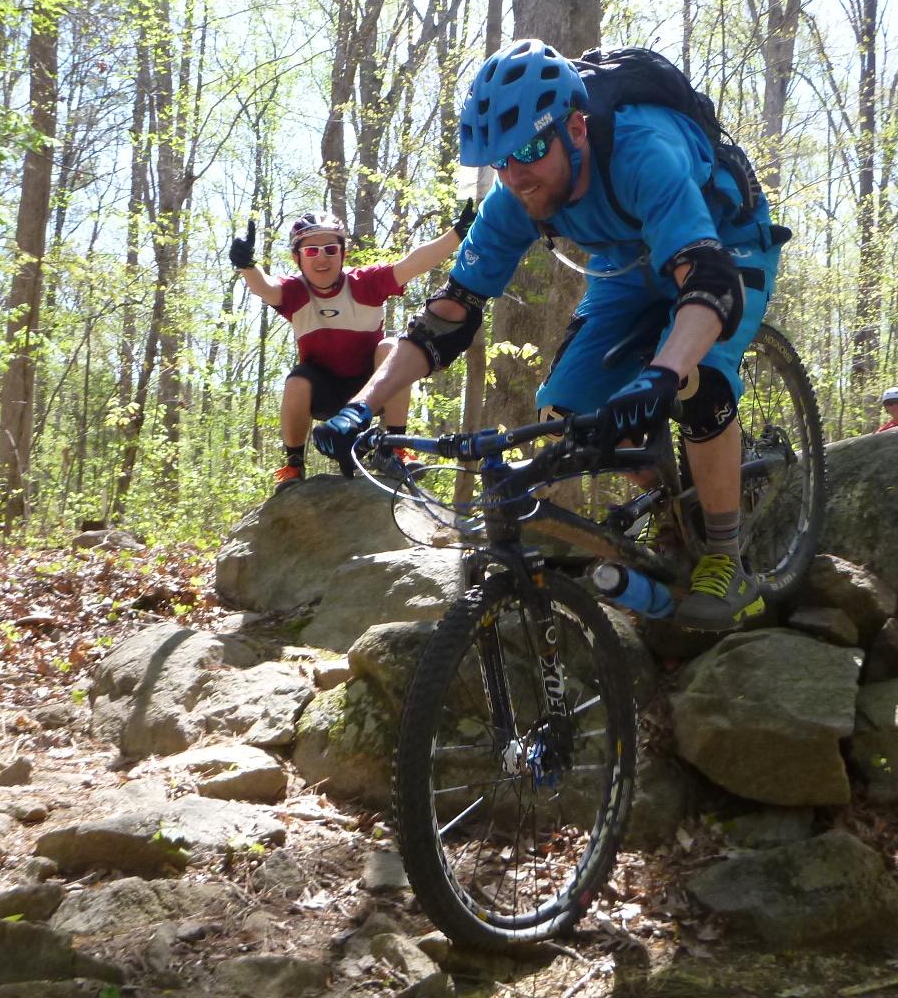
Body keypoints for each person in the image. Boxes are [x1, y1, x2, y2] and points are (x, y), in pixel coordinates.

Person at [311, 38, 783, 632]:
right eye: (500, 161)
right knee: (571, 410)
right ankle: (670, 512)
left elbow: (709, 286)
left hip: (724, 243)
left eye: (531, 148)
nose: (516, 174)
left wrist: (663, 374)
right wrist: (360, 407)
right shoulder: (514, 197)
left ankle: (724, 554)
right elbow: (447, 316)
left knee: (699, 378)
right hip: (625, 263)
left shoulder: (645, 152)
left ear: (577, 129)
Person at [230, 206, 473, 490]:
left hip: (370, 392)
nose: (322, 258)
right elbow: (265, 287)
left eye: (330, 250)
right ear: (298, 258)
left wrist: (457, 234)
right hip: (324, 393)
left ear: (342, 254)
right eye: (311, 252)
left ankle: (394, 448)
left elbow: (412, 264)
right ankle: (293, 465)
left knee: (392, 346)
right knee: (296, 379)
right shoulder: (294, 291)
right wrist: (247, 265)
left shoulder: (364, 283)